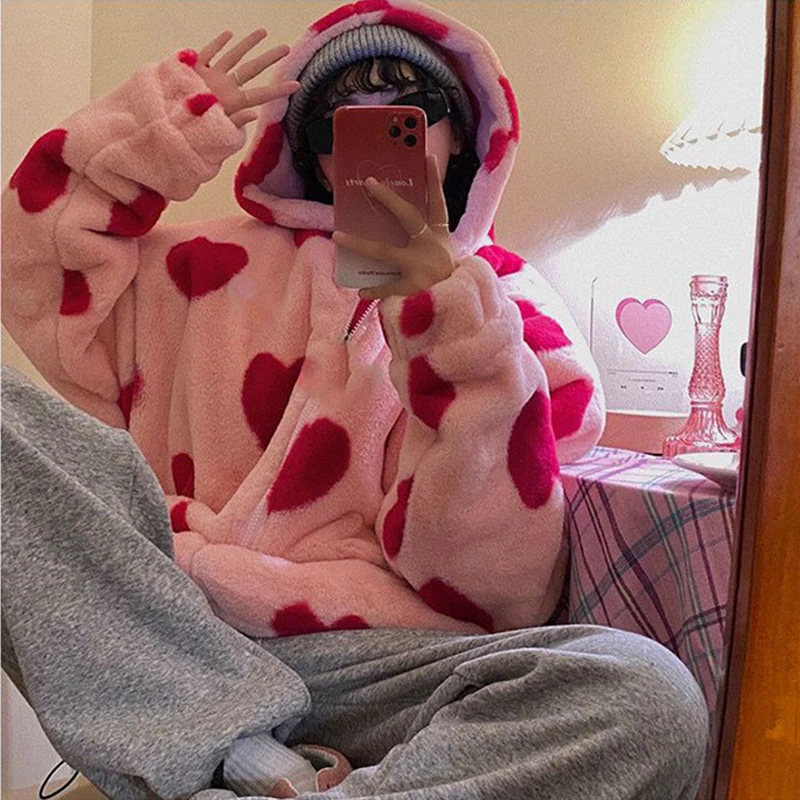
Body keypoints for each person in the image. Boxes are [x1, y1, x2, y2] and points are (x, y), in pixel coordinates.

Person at [1, 2, 709, 798]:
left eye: (408, 112)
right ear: (313, 149)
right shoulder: (194, 264)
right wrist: (157, 131)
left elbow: (493, 589)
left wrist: (448, 336)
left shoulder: (507, 309)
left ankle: (269, 776)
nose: (374, 142)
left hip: (374, 660)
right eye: (341, 121)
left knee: (648, 691)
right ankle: (231, 746)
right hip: (178, 631)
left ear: (457, 134)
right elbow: (31, 270)